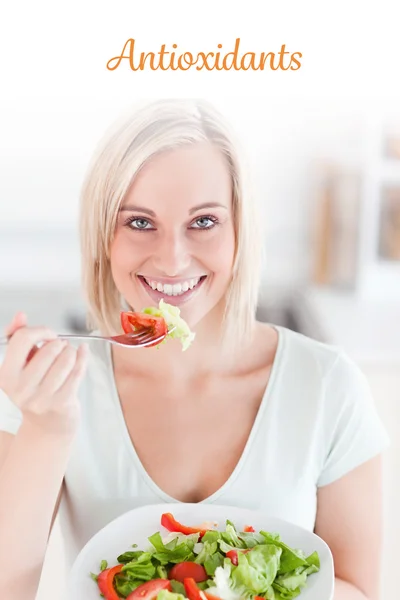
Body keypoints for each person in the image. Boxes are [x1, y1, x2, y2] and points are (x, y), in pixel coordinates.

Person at [0, 99, 389, 600]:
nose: (171, 259)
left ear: (240, 231)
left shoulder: (330, 387)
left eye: (203, 221)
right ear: (104, 237)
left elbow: (360, 590)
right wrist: (46, 429)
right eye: (139, 222)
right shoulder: (50, 393)